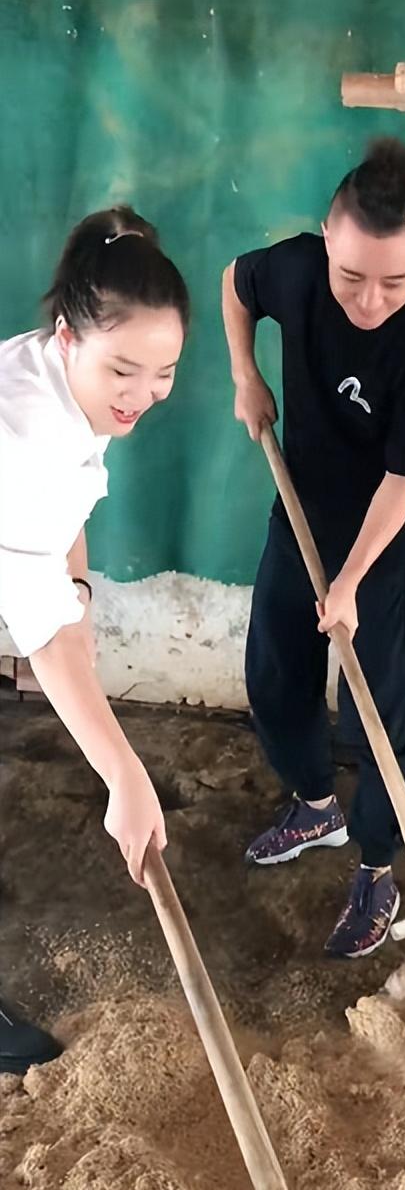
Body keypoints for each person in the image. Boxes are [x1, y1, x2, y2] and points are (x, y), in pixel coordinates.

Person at [222, 137, 405, 959]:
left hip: (379, 544)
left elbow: (404, 479)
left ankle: (376, 864)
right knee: (276, 675)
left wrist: (353, 582)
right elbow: (234, 283)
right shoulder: (291, 270)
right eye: (351, 275)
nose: (369, 300)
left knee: (375, 707)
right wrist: (245, 373)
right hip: (300, 513)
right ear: (327, 240)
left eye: (393, 280)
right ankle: (315, 804)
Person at [0, 206, 189, 1072]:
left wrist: (76, 595)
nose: (143, 394)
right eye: (124, 369)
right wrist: (124, 774)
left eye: (165, 373)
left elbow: (65, 538)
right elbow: (45, 639)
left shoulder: (61, 383)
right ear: (70, 334)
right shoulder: (27, 437)